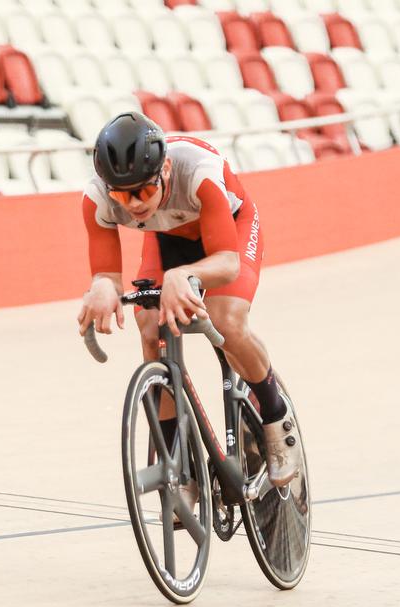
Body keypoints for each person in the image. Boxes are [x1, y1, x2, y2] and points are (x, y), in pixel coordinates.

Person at [76, 112, 303, 488]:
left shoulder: (198, 172)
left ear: (165, 168)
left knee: (226, 320)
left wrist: (184, 275)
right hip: (167, 235)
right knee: (149, 327)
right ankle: (178, 464)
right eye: (121, 195)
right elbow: (107, 276)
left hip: (229, 230)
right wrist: (101, 286)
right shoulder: (97, 199)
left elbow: (228, 263)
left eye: (144, 192)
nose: (133, 205)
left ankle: (277, 418)